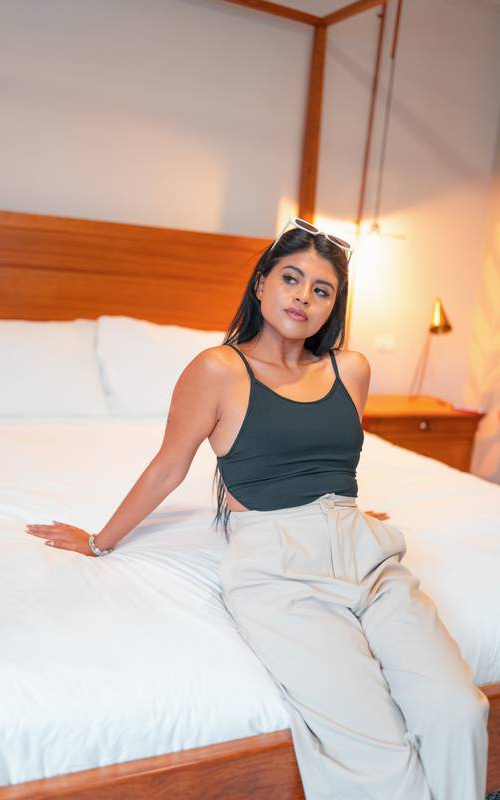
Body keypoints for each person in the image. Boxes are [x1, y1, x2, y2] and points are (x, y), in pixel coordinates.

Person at [25, 218, 490, 799]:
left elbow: (332, 456)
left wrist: (344, 517)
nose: (303, 296)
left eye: (321, 290)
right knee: (378, 749)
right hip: (278, 571)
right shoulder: (216, 370)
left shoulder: (353, 369)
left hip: (367, 559)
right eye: (291, 278)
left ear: (333, 306)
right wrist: (99, 540)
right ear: (262, 282)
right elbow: (168, 468)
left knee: (460, 712)